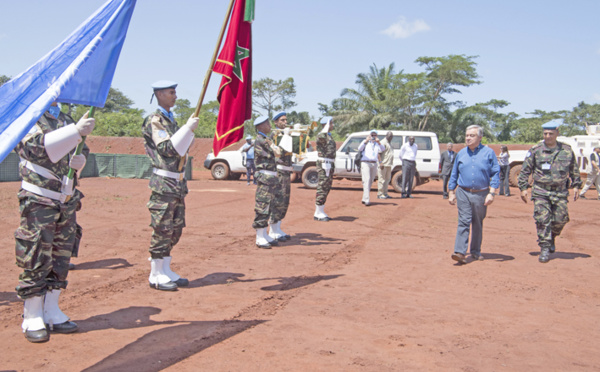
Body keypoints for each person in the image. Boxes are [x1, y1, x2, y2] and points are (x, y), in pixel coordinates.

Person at [14, 102, 95, 342]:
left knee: (61, 254)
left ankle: (51, 309)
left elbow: (82, 147)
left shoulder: (66, 118)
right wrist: (75, 131)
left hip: (65, 197)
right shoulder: (30, 116)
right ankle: (31, 314)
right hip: (39, 197)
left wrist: (80, 157)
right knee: (37, 253)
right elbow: (35, 147)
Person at [142, 80, 199, 291]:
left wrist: (187, 131)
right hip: (163, 183)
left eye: (175, 92)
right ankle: (155, 274)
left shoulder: (170, 120)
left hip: (176, 183)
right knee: (162, 228)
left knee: (175, 228)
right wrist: (186, 129)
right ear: (159, 94)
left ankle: (165, 269)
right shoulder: (154, 120)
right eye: (171, 92)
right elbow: (167, 148)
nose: (175, 96)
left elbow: (182, 148)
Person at [519, 120, 581, 263]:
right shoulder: (536, 150)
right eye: (545, 133)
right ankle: (545, 248)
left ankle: (552, 235)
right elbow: (525, 170)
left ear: (557, 134)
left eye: (551, 133)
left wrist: (576, 185)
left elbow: (574, 170)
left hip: (560, 191)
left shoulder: (566, 150)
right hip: (541, 190)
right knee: (542, 220)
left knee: (561, 219)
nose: (547, 136)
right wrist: (523, 188)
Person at [448, 125, 500, 264]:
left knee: (477, 222)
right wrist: (451, 192)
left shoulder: (488, 153)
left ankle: (475, 251)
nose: (468, 138)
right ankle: (459, 252)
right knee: (463, 221)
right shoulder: (461, 153)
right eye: (467, 135)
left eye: (472, 136)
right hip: (463, 192)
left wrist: (492, 193)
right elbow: (454, 173)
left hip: (481, 193)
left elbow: (495, 173)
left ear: (480, 137)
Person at [252, 116, 282, 248]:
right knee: (262, 206)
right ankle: (259, 236)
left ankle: (264, 234)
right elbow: (276, 153)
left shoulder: (266, 139)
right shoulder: (261, 140)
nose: (270, 126)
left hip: (270, 177)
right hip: (265, 176)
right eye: (267, 124)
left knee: (269, 206)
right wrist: (274, 143)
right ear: (261, 126)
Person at [269, 111, 293, 241]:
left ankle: (278, 227)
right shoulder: (274, 135)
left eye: (285, 120)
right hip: (279, 171)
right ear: (276, 122)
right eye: (282, 120)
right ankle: (273, 230)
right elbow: (278, 152)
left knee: (284, 201)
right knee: (277, 200)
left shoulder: (287, 135)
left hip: (286, 171)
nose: (285, 122)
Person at [314, 116, 337, 221]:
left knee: (327, 187)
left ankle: (321, 210)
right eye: (331, 123)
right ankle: (318, 212)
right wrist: (326, 127)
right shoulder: (321, 135)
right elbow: (321, 137)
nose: (332, 125)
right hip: (324, 164)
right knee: (322, 187)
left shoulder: (329, 136)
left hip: (329, 164)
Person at [357, 130, 385, 205]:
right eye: (372, 135)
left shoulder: (377, 144)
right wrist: (366, 141)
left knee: (370, 181)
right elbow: (359, 148)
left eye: (375, 135)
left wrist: (379, 142)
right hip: (365, 162)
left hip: (374, 163)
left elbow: (382, 149)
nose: (373, 136)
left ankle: (364, 197)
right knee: (367, 180)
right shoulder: (365, 142)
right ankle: (367, 199)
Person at [377, 131, 394, 199]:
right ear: (386, 136)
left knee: (387, 180)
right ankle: (380, 194)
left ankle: (385, 193)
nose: (390, 137)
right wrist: (380, 162)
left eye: (391, 136)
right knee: (382, 179)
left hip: (388, 164)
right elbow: (378, 153)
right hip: (383, 164)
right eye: (389, 136)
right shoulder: (383, 142)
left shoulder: (389, 143)